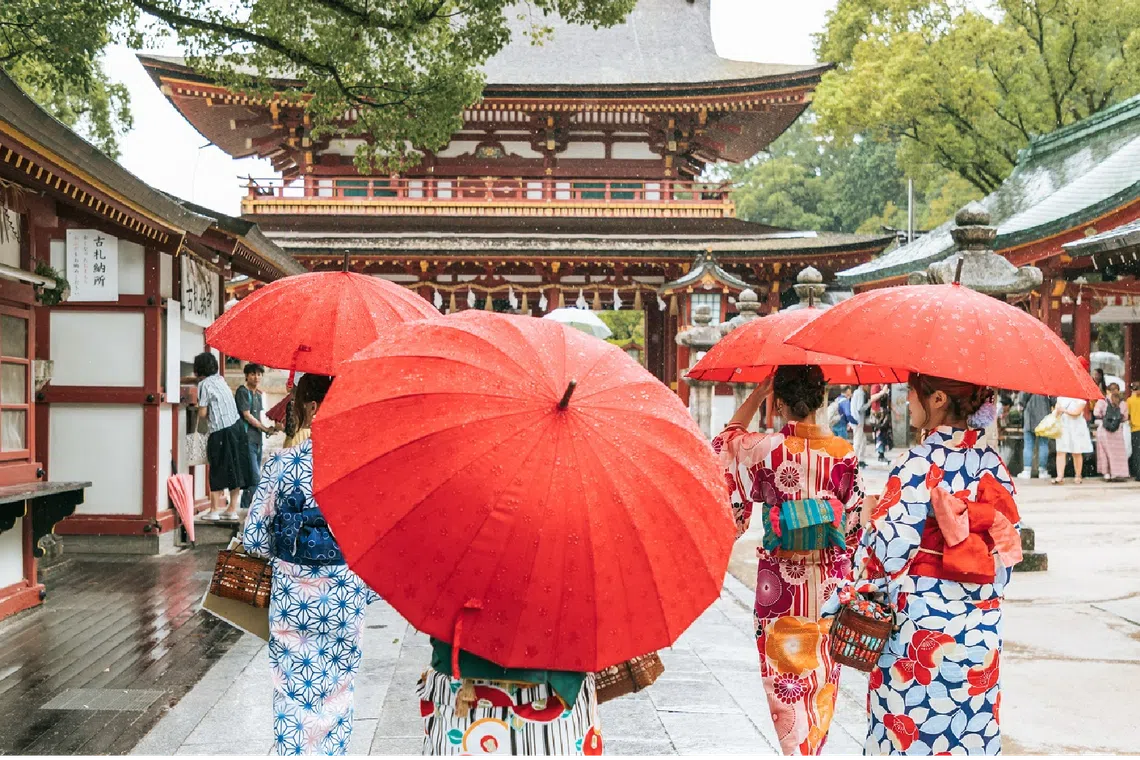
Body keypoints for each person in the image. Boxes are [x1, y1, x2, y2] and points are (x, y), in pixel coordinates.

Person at [823, 373, 1020, 757]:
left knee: (907, 730)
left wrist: (867, 527)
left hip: (920, 629)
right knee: (969, 733)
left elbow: (887, 552)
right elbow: (1006, 557)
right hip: (980, 628)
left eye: (911, 393)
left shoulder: (916, 463)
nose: (907, 400)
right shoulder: (995, 465)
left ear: (938, 400)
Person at [712, 366, 864, 758]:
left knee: (784, 683)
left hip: (779, 587)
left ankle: (795, 752)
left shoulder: (766, 449)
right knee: (822, 678)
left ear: (779, 402)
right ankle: (810, 750)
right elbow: (855, 528)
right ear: (821, 399)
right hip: (831, 584)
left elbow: (724, 444)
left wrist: (758, 394)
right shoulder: (843, 455)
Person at [242, 373, 378, 759]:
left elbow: (254, 539)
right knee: (338, 690)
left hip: (292, 597)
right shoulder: (360, 469)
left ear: (314, 409)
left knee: (291, 695)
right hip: (345, 596)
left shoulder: (282, 464)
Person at [193, 352, 255, 520]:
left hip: (220, 431)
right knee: (236, 468)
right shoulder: (220, 379)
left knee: (217, 467)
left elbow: (203, 412)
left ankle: (213, 510)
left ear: (199, 369)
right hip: (237, 427)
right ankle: (231, 510)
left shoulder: (204, 385)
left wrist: (196, 407)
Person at [235, 363, 278, 511]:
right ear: (247, 376)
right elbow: (247, 416)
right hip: (246, 439)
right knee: (254, 476)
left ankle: (247, 508)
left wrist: (271, 427)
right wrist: (265, 429)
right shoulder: (242, 392)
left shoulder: (259, 394)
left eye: (259, 374)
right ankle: (248, 509)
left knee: (254, 476)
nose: (256, 377)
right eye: (253, 374)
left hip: (257, 439)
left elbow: (260, 416)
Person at [1093, 384, 1130, 481]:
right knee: (1117, 453)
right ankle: (1118, 473)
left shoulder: (1102, 402)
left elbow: (1096, 413)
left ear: (1108, 391)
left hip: (1104, 429)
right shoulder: (1122, 403)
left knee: (1104, 452)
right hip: (1117, 430)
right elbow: (1125, 417)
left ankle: (1107, 473)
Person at [1053, 395, 1093, 485]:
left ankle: (1078, 475)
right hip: (1063, 425)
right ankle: (1060, 476)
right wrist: (1057, 411)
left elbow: (1077, 413)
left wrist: (1064, 410)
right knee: (1060, 451)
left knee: (1077, 452)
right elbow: (1056, 411)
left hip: (1076, 427)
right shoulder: (1060, 397)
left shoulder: (1081, 398)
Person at [1017, 392, 1053, 479]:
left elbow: (1022, 400)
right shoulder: (1048, 383)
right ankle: (1042, 471)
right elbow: (1054, 400)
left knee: (1028, 446)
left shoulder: (1029, 382)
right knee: (1043, 445)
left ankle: (1027, 471)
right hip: (1044, 418)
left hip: (1030, 418)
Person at [1128, 382, 1140, 479]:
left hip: (1135, 429)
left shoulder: (1130, 400)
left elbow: (1127, 415)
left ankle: (1138, 474)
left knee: (1136, 452)